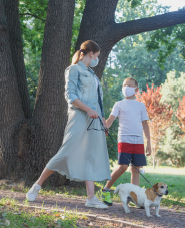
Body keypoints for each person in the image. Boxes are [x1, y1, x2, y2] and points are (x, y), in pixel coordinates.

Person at [26, 40, 111, 209]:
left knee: (91, 156)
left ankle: (91, 198)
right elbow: (70, 96)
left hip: (94, 120)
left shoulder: (93, 75)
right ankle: (37, 185)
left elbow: (98, 101)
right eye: (97, 56)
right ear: (91, 53)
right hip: (79, 116)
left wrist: (102, 120)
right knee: (65, 153)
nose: (97, 60)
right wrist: (87, 110)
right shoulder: (73, 70)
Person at [101, 77, 151, 206]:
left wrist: (149, 142)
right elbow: (111, 119)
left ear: (136, 89)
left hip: (139, 141)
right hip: (124, 139)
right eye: (124, 85)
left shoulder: (140, 105)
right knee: (123, 167)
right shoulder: (119, 104)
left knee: (136, 170)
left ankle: (135, 198)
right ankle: (106, 189)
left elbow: (145, 124)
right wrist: (105, 126)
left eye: (130, 85)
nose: (126, 88)